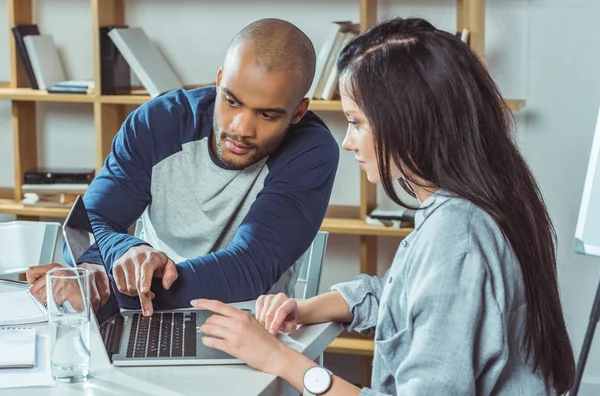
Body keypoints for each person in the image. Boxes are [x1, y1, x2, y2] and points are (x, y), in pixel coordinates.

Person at [188, 17, 576, 396]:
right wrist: (302, 310)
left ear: (408, 123)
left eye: (356, 123)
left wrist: (281, 360)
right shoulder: (465, 207)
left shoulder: (457, 237)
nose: (348, 142)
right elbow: (396, 295)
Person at [25, 18, 339, 317]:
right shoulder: (157, 122)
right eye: (231, 101)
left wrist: (100, 285)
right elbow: (88, 225)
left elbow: (248, 268)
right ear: (219, 81)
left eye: (267, 115)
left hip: (249, 321)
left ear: (297, 112)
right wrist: (124, 250)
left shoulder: (311, 152)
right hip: (143, 317)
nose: (241, 128)